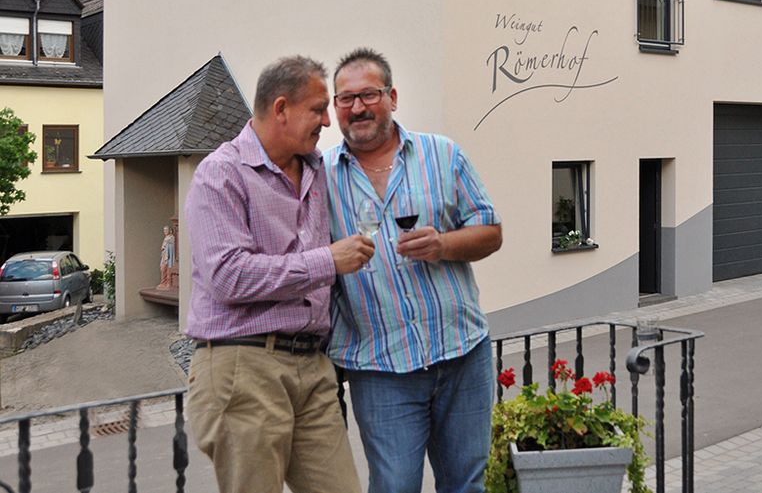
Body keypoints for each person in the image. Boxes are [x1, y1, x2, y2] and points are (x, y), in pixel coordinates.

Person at [185, 55, 373, 493]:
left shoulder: (319, 171)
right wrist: (328, 260)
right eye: (318, 108)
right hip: (243, 363)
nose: (328, 121)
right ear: (281, 108)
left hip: (312, 366)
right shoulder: (220, 174)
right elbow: (228, 277)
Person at [323, 47, 503, 493]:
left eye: (369, 94)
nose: (358, 107)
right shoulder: (319, 177)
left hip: (462, 354)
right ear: (335, 108)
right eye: (346, 99)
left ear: (393, 97)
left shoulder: (442, 154)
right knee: (395, 486)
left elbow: (491, 232)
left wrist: (443, 244)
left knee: (466, 485)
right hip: (380, 368)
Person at [156, 224, 175, 289]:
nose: (165, 231)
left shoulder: (171, 237)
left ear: (169, 230)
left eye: (166, 230)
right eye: (164, 230)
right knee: (162, 269)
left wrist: (165, 249)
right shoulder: (166, 238)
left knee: (167, 269)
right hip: (164, 255)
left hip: (168, 256)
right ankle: (163, 282)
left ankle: (168, 283)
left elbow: (170, 247)